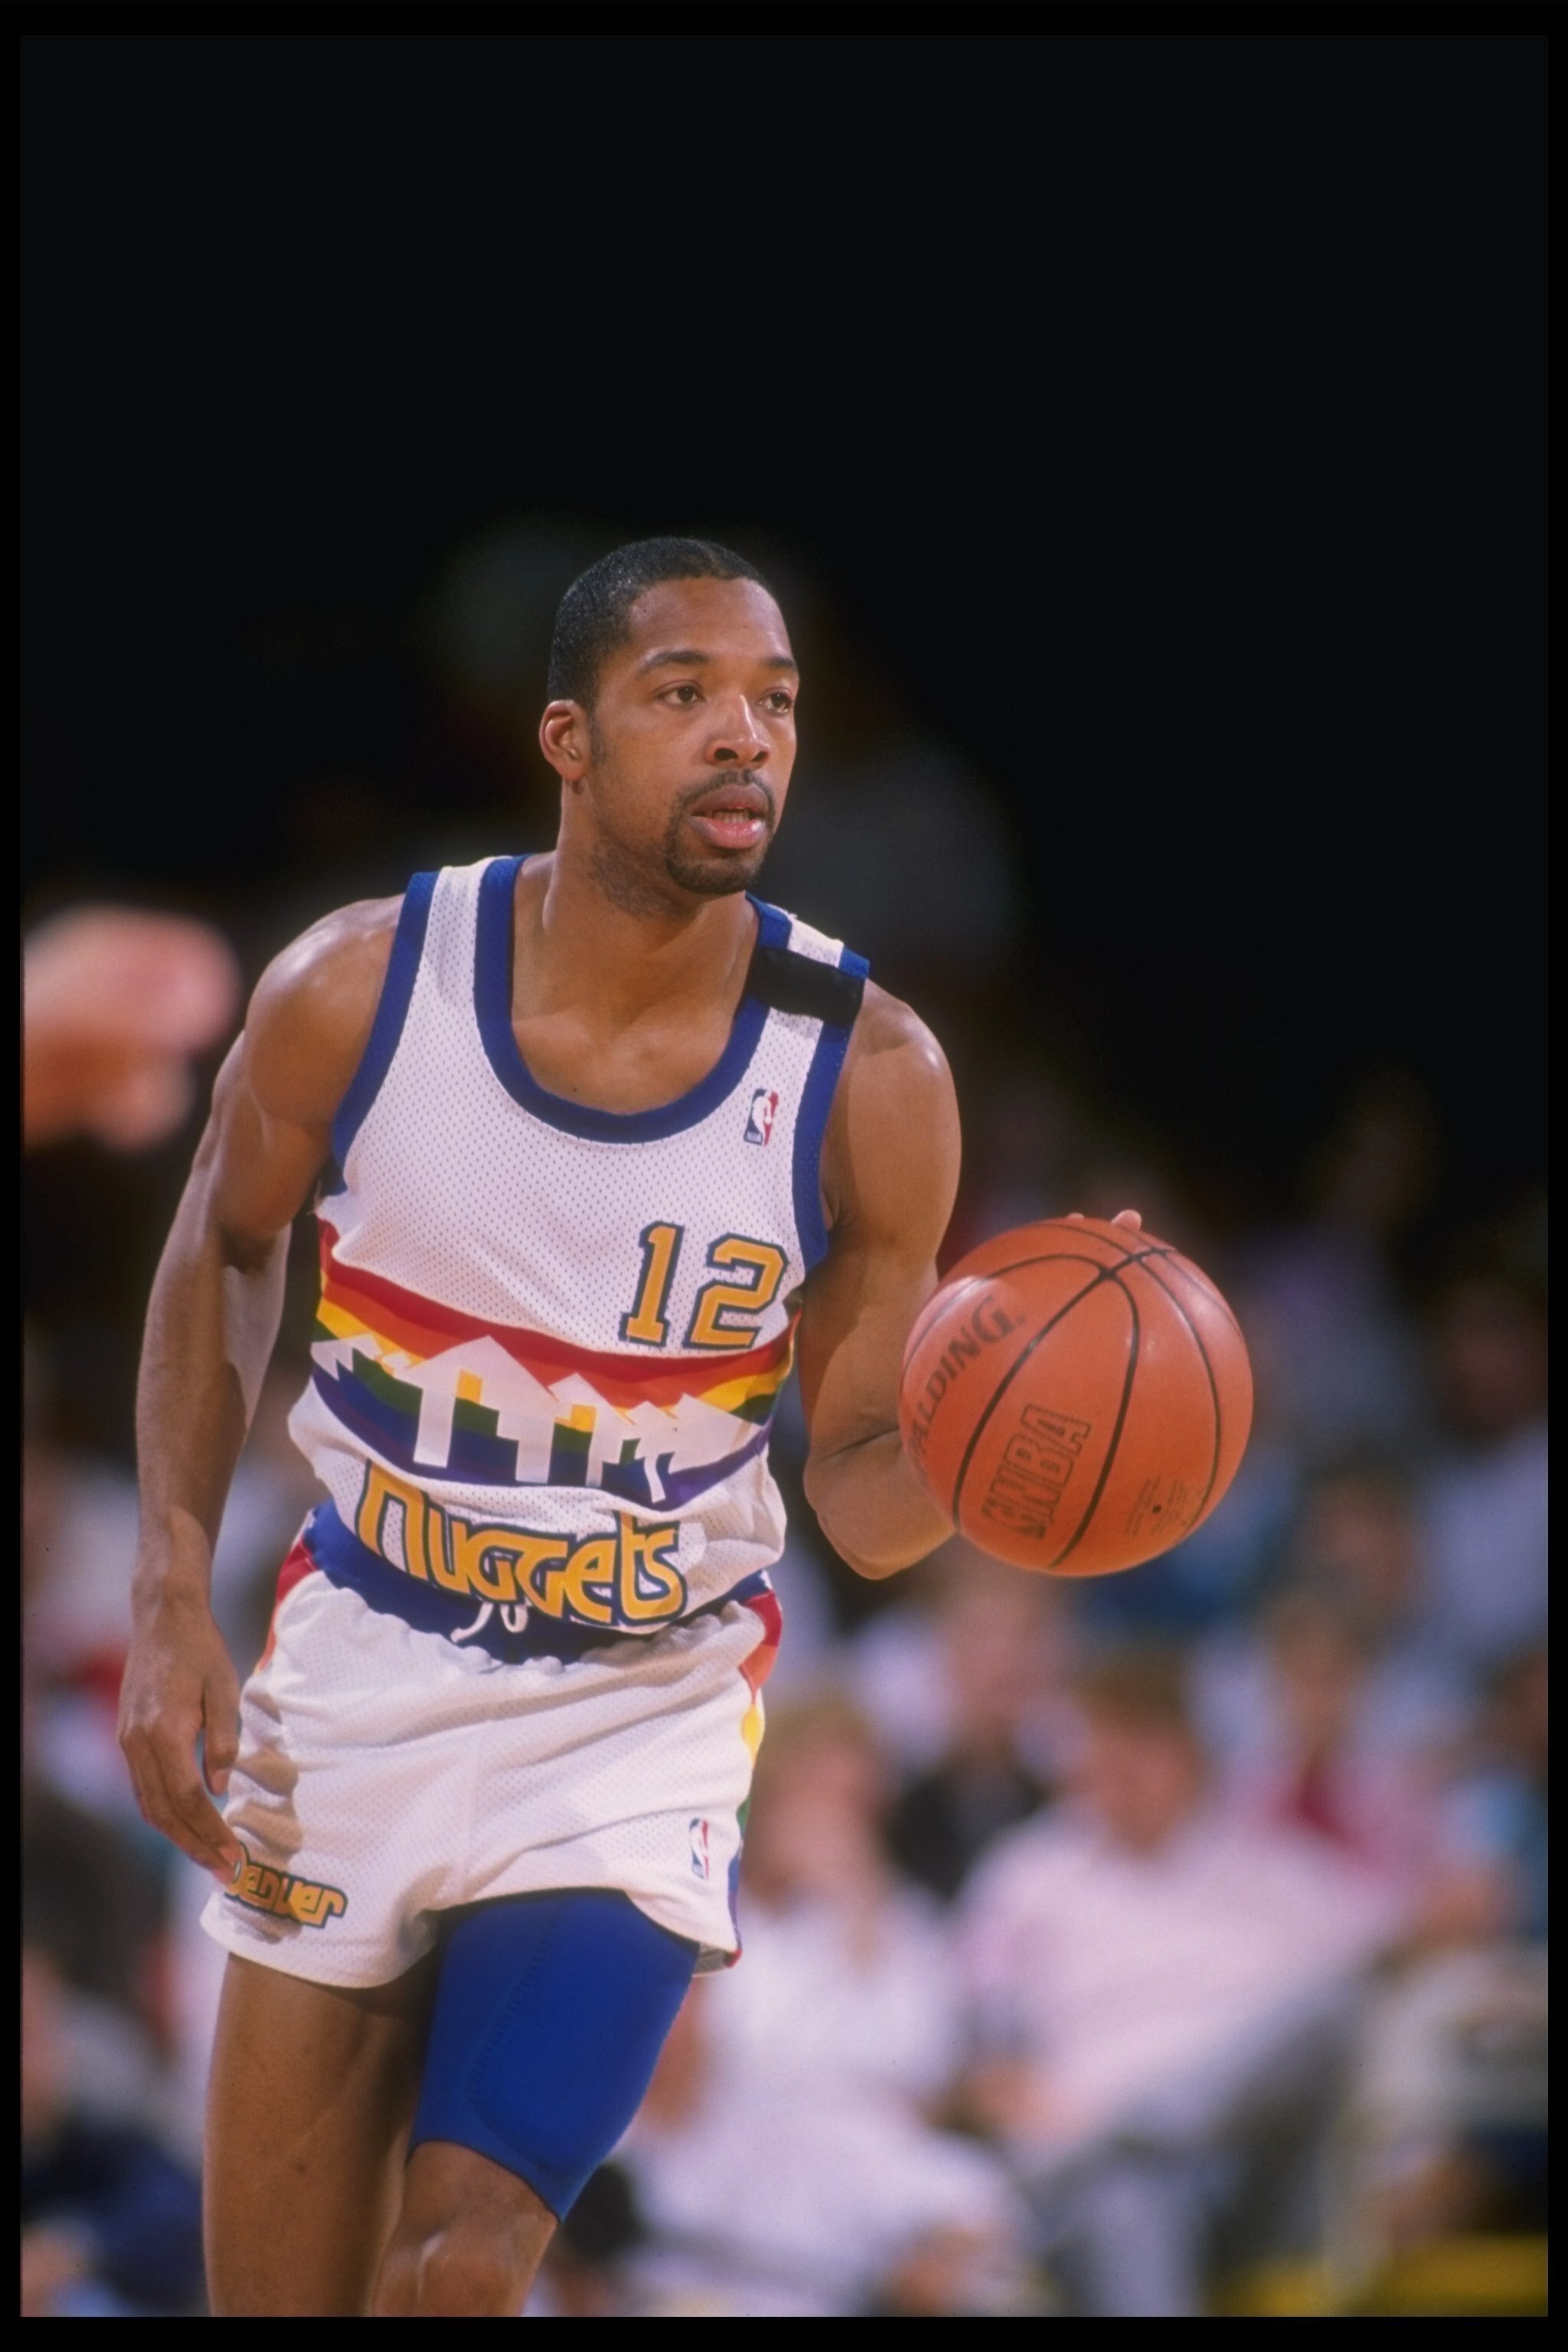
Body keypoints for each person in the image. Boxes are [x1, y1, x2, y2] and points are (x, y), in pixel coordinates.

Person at [116, 537, 978, 2318]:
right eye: (688, 694)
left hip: (634, 1711)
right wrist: (168, 1591)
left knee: (459, 2262)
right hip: (357, 1661)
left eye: (777, 702)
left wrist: (1011, 1482)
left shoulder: (867, 1074)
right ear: (567, 739)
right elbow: (221, 1244)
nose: (745, 736)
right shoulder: (361, 982)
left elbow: (868, 1503)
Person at [960, 1649, 1402, 2316]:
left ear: (1193, 1751)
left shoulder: (1279, 1870)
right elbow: (983, 2061)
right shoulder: (1026, 1875)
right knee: (1127, 2196)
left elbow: (1404, 1950)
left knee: (1334, 2010)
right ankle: (1129, 2146)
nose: (1123, 1764)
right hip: (1103, 2188)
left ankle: (1136, 2132)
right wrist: (1013, 2099)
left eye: (1144, 1740)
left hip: (1253, 2179)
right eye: (1105, 1739)